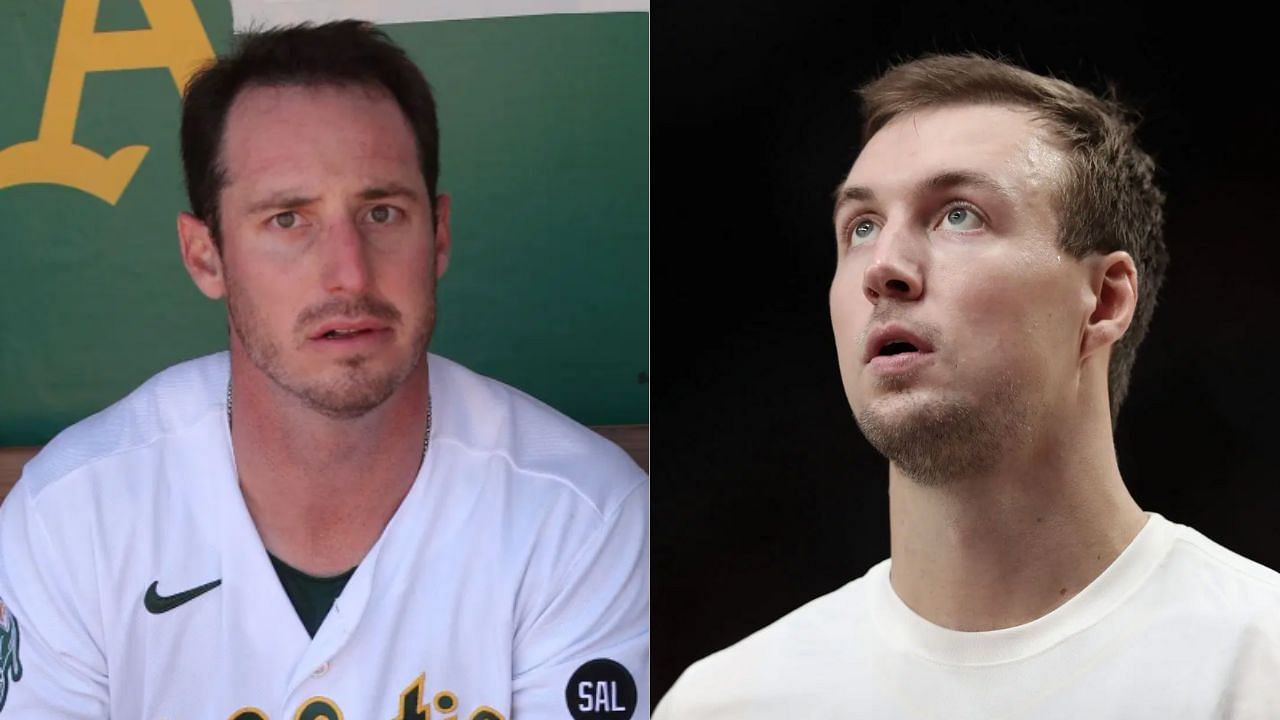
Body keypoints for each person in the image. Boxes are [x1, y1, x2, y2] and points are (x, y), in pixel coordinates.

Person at [0, 20, 648, 719]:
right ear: (205, 255)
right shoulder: (72, 517)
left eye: (381, 212)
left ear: (438, 236)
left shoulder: (583, 518)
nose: (348, 273)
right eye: (287, 219)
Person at [655, 53, 1280, 718]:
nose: (884, 268)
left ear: (1103, 300)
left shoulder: (1257, 662)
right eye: (860, 228)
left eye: (959, 215)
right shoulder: (725, 703)